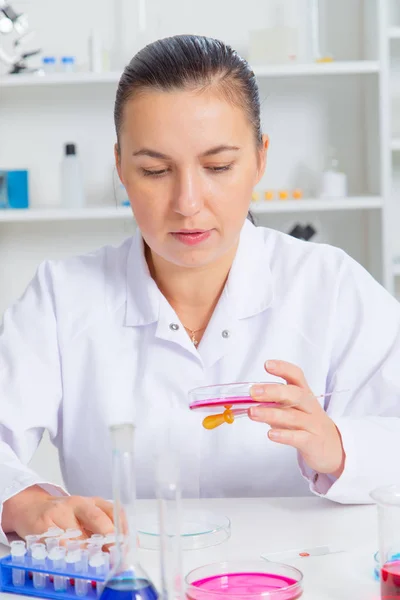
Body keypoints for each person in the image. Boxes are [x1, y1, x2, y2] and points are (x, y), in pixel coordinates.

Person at [1, 34, 400, 545]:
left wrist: (339, 446)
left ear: (260, 159)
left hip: (302, 577)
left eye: (217, 167)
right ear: (121, 167)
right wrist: (25, 501)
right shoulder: (62, 297)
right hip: (129, 578)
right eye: (155, 170)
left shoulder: (330, 286)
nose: (188, 202)